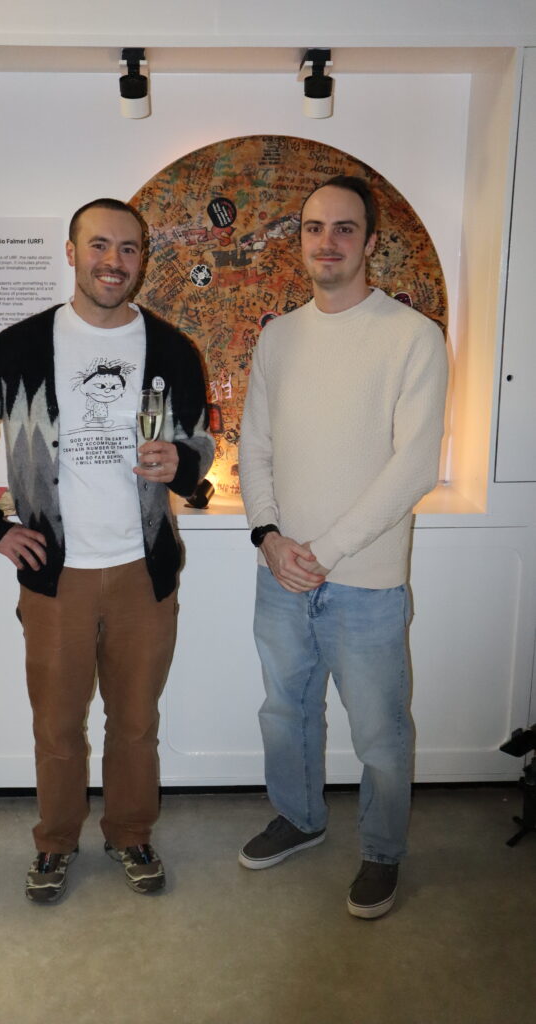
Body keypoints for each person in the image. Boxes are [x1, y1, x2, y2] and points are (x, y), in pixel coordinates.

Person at [0, 199, 213, 903]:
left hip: (142, 572)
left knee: (136, 723)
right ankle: (54, 843)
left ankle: (130, 832)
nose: (113, 262)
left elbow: (200, 444)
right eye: (99, 245)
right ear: (71, 252)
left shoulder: (172, 350)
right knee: (57, 727)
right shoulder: (19, 347)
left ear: (141, 258)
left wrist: (180, 463)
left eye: (128, 248)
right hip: (56, 576)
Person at [238, 175, 448, 919]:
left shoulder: (412, 337)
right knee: (284, 713)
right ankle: (299, 818)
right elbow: (254, 446)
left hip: (365, 580)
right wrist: (268, 536)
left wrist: (321, 550)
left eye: (344, 229)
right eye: (313, 228)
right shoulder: (278, 337)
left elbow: (413, 468)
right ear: (300, 240)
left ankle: (382, 852)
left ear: (369, 242)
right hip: (280, 573)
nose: (326, 242)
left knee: (381, 735)